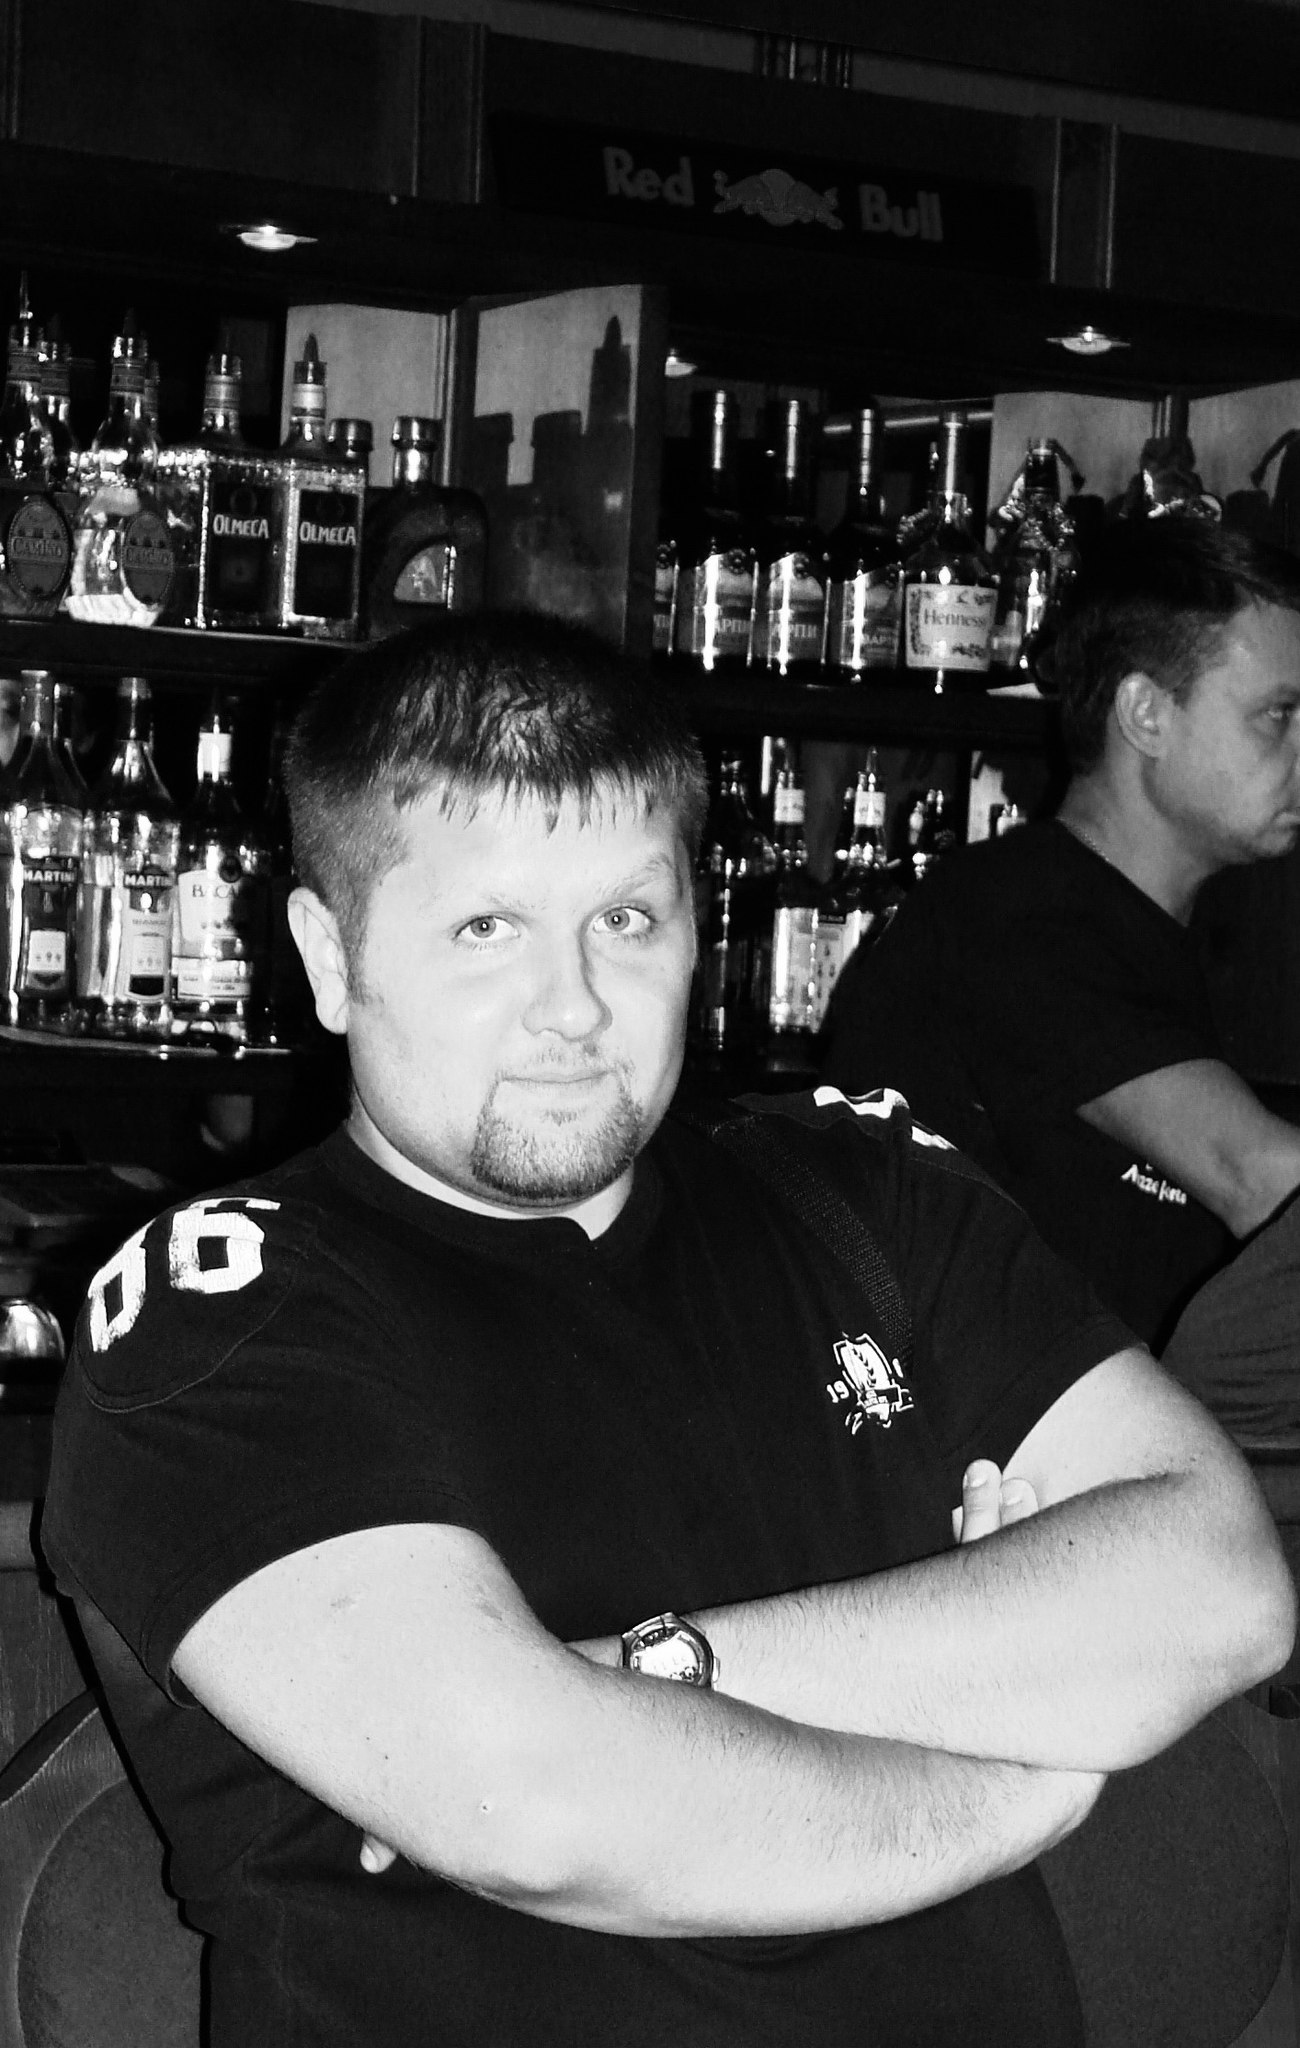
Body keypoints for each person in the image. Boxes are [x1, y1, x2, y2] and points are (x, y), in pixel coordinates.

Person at [42, 614, 1294, 2048]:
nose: (573, 1005)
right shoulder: (218, 1309)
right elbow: (535, 1803)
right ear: (331, 957)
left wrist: (643, 1675)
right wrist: (1020, 1782)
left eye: (626, 919)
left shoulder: (866, 1190)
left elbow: (1221, 1584)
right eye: (485, 929)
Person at [825, 518, 1300, 1349]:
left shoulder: (1160, 929)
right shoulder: (1015, 918)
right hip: (962, 1429)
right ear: (1146, 713)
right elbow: (1257, 1178)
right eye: (1277, 715)